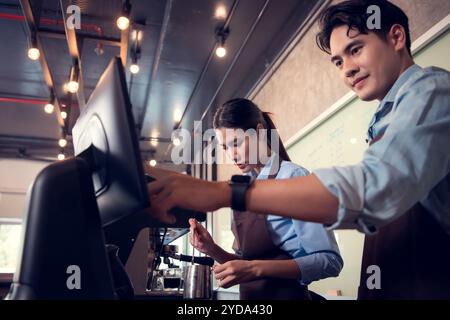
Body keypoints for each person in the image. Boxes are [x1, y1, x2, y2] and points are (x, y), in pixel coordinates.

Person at [147, 0, 450, 299]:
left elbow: (374, 190)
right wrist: (214, 250)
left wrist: (224, 192)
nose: (347, 69)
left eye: (355, 49)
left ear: (396, 37)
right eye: (338, 61)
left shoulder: (432, 90)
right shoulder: (384, 121)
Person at [188, 98, 342, 300]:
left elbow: (329, 261)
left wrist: (254, 268)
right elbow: (246, 263)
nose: (231, 155)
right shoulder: (240, 188)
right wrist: (212, 249)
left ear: (260, 132)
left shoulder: (293, 177)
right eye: (225, 147)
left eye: (237, 143)